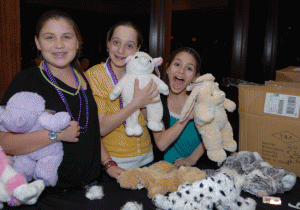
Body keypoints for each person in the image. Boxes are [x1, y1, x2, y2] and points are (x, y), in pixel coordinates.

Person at [0, 9, 102, 209]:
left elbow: (91, 130)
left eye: (66, 37)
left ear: (77, 41)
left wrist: (108, 163)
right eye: (49, 37)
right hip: (46, 196)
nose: (59, 45)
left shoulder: (83, 78)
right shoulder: (26, 80)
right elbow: (5, 143)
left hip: (90, 188)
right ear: (38, 43)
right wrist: (55, 135)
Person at [85, 21, 159, 180]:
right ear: (108, 43)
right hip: (115, 164)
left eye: (129, 45)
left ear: (138, 49)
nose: (120, 50)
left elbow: (148, 117)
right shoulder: (94, 75)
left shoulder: (145, 73)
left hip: (148, 157)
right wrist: (136, 103)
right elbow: (101, 127)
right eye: (116, 42)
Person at [152, 47, 218, 169]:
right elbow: (161, 144)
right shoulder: (157, 102)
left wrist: (192, 158)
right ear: (168, 68)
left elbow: (214, 133)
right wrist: (186, 118)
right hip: (169, 169)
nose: (181, 71)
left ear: (195, 77)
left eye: (189, 68)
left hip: (201, 167)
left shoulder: (201, 100)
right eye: (177, 64)